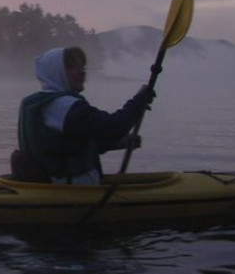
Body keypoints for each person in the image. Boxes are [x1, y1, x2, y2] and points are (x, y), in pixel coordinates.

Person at [11, 46, 155, 184]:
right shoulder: (62, 105)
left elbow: (78, 144)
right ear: (55, 71)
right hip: (70, 191)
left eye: (82, 67)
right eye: (71, 66)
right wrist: (139, 101)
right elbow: (113, 127)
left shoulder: (46, 103)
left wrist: (121, 142)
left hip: (59, 184)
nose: (81, 72)